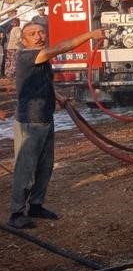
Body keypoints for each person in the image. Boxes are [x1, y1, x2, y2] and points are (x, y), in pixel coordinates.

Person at [8, 23, 105, 229]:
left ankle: (35, 205)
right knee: (25, 170)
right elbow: (62, 47)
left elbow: (43, 82)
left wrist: (58, 97)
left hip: (45, 117)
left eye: (41, 32)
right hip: (29, 121)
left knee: (45, 167)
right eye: (32, 34)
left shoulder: (41, 59)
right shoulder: (27, 56)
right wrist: (89, 35)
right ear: (23, 40)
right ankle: (17, 213)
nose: (38, 36)